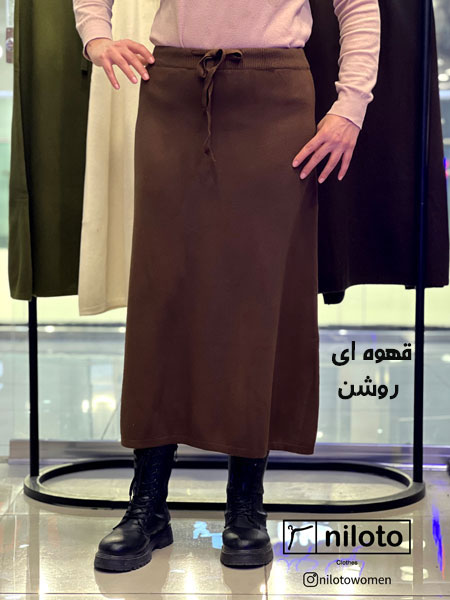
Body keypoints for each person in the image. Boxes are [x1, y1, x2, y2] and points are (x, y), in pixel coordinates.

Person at [73, 0, 380, 573]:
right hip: (173, 93)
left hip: (274, 99)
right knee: (162, 295)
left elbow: (358, 4)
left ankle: (246, 503)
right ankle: (148, 504)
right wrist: (95, 36)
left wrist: (351, 105)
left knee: (259, 298)